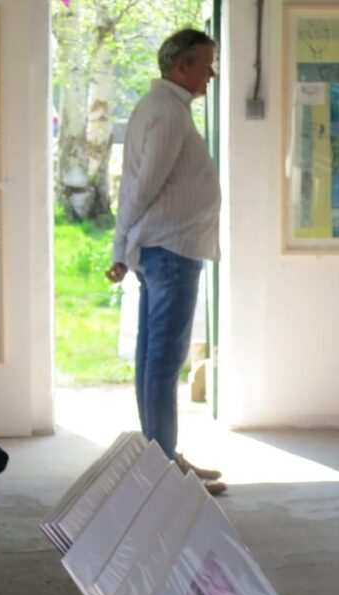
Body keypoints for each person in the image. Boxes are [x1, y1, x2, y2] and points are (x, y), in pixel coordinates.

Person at [106, 28, 225, 494]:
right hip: (170, 251)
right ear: (181, 68)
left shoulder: (161, 107)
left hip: (165, 248)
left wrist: (124, 247)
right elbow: (141, 186)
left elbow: (138, 183)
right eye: (206, 64)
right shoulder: (168, 114)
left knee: (153, 359)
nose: (211, 73)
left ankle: (161, 457)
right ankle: (162, 469)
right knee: (162, 362)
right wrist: (119, 248)